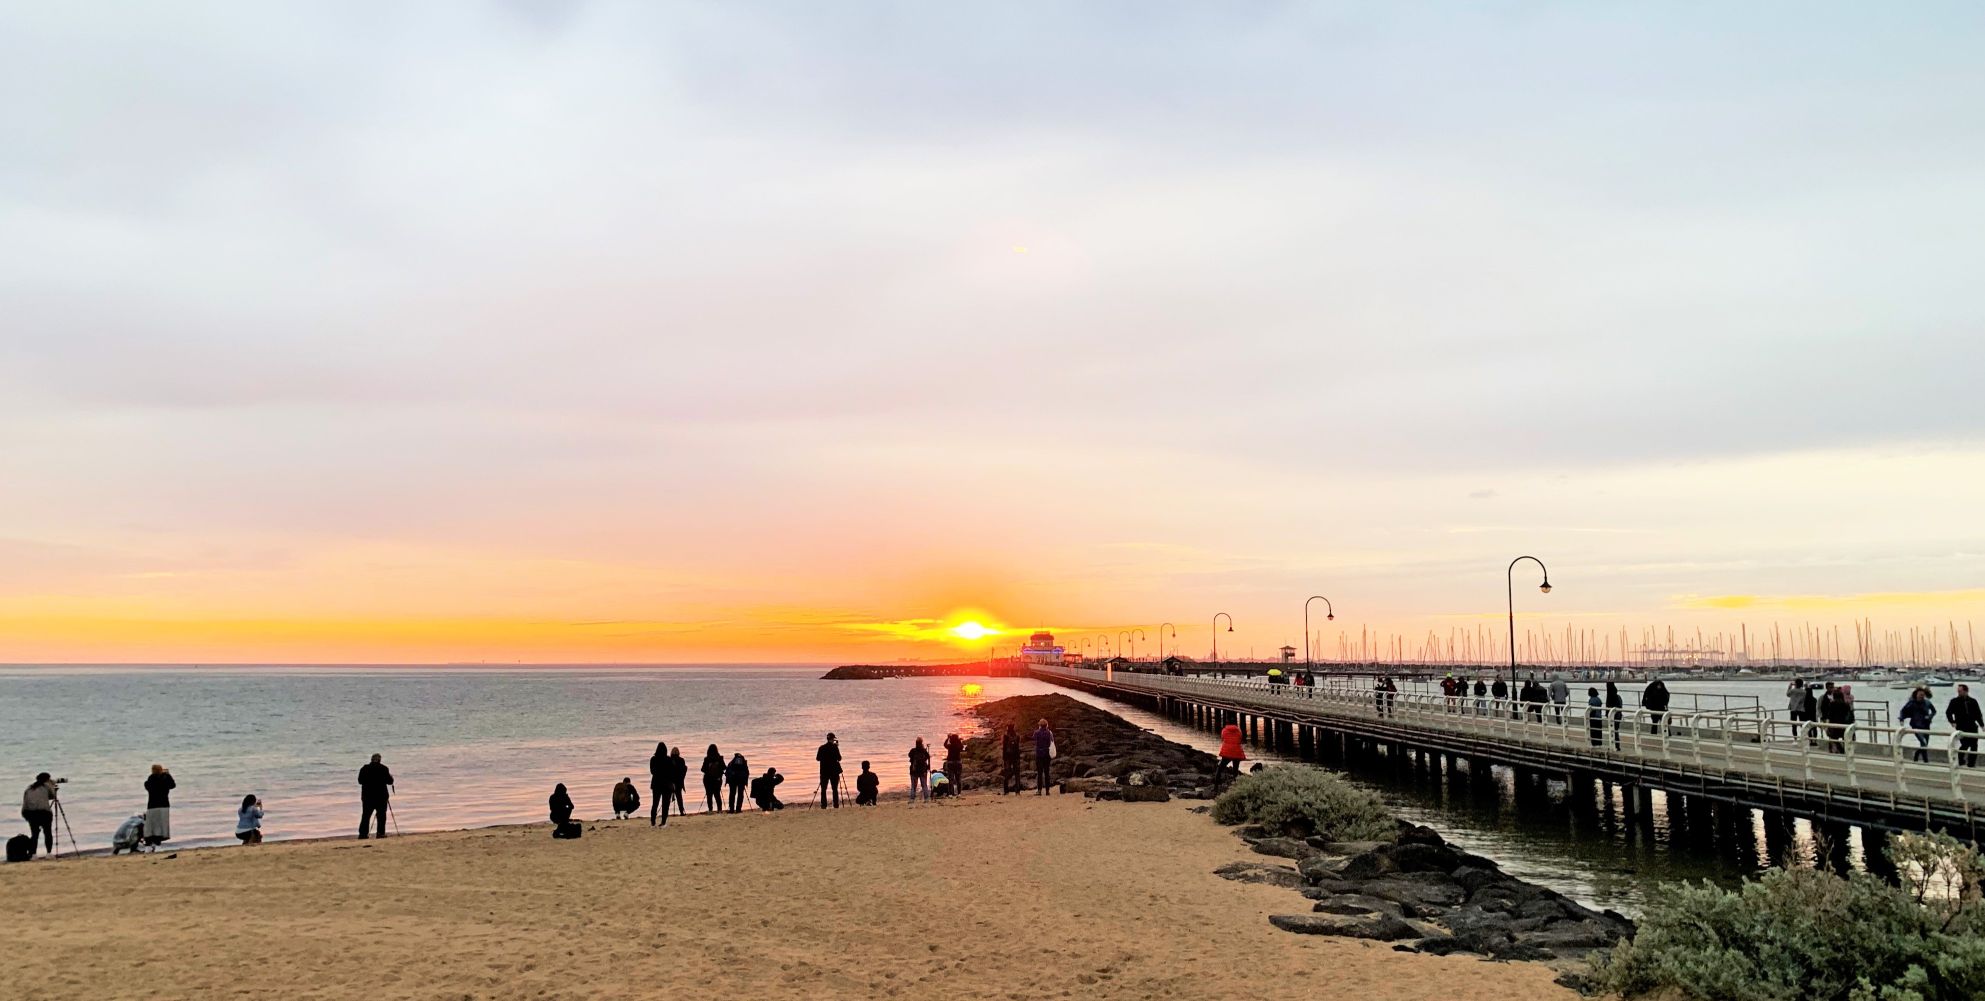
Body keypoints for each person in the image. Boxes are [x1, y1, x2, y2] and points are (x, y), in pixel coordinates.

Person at [21, 773, 58, 856]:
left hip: (31, 814)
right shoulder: (46, 787)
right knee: (48, 833)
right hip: (44, 813)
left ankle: (33, 854)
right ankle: (49, 853)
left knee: (34, 834)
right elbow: (52, 796)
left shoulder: (29, 788)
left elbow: (25, 803)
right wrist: (52, 786)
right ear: (47, 780)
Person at [357, 754, 392, 839]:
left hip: (367, 797)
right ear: (379, 760)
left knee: (366, 816)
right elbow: (390, 781)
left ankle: (363, 834)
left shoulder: (364, 768)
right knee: (381, 816)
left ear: (371, 759)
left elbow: (360, 781)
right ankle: (380, 833)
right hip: (381, 796)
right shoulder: (384, 768)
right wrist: (390, 777)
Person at [1947, 684, 1982, 768]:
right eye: (1958, 691)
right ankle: (1960, 759)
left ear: (1966, 691)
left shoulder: (1973, 701)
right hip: (1961, 725)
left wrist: (1982, 725)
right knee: (1965, 744)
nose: (1959, 693)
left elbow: (1978, 714)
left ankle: (1971, 763)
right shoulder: (1954, 701)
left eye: (1960, 691)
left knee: (1974, 745)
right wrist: (1952, 721)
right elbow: (1948, 712)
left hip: (1972, 725)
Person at [1899, 688, 1936, 763]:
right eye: (1919, 695)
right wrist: (1901, 719)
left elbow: (1934, 711)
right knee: (1923, 742)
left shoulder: (1927, 702)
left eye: (1922, 695)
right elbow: (1903, 711)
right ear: (1916, 695)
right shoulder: (1911, 703)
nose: (1921, 696)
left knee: (1925, 744)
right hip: (1916, 726)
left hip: (1926, 725)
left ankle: (1917, 754)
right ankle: (1926, 761)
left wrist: (1930, 716)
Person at [144, 763, 176, 847]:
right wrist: (168, 775)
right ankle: (159, 840)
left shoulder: (151, 778)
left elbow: (147, 786)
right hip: (164, 804)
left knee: (152, 824)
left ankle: (151, 840)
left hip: (152, 805)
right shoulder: (165, 778)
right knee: (162, 823)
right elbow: (173, 785)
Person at [1214, 722, 1245, 792]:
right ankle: (1236, 788)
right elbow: (1240, 739)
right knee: (1235, 771)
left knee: (1220, 769)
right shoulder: (1239, 730)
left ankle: (1215, 787)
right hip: (1237, 752)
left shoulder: (1224, 730)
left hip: (1227, 752)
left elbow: (1223, 738)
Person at [816, 733, 843, 808]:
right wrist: (836, 747)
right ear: (833, 739)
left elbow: (817, 758)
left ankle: (823, 805)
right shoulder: (835, 747)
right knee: (834, 789)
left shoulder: (821, 748)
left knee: (823, 789)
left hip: (824, 771)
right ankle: (836, 805)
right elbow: (839, 758)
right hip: (834, 771)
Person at [648, 742, 670, 826]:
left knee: (655, 803)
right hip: (666, 783)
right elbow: (671, 772)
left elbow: (652, 771)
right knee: (665, 804)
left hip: (656, 783)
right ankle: (663, 822)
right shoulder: (668, 759)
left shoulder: (653, 759)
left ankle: (653, 821)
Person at [1032, 718, 1055, 794]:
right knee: (1047, 772)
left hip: (1039, 754)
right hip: (1047, 754)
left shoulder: (1036, 732)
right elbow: (1052, 741)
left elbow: (1034, 739)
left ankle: (1039, 790)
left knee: (1040, 773)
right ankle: (1047, 791)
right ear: (1046, 725)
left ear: (1040, 725)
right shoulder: (1049, 733)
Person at [701, 745, 725, 815]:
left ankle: (710, 809)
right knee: (717, 794)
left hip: (708, 780)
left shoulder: (707, 759)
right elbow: (724, 767)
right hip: (717, 779)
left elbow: (703, 769)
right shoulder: (720, 758)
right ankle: (719, 809)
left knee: (709, 795)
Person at [999, 724, 1022, 794]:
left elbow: (1004, 747)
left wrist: (1004, 757)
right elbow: (1018, 746)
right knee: (1017, 773)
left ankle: (1006, 790)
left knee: (1007, 772)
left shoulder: (1005, 736)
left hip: (1008, 757)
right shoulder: (1017, 736)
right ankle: (1017, 790)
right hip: (1016, 756)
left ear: (1008, 728)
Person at [908, 738, 932, 804]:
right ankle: (926, 799)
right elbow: (928, 757)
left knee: (913, 786)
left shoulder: (913, 750)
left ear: (916, 743)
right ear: (921, 743)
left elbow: (909, 756)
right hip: (923, 770)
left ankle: (912, 799)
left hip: (914, 771)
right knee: (924, 785)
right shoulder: (924, 751)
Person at [668, 746, 689, 817]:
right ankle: (681, 811)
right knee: (679, 797)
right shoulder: (681, 760)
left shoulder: (669, 760)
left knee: (667, 797)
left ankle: (665, 812)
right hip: (679, 781)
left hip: (670, 781)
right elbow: (683, 771)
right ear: (678, 752)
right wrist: (682, 778)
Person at [942, 733, 965, 797]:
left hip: (950, 762)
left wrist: (948, 738)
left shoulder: (950, 746)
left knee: (951, 779)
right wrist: (959, 740)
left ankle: (950, 794)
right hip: (958, 762)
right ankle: (959, 793)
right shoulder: (958, 746)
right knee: (958, 779)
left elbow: (945, 745)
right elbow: (962, 747)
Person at [1605, 681, 1624, 750]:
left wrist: (1607, 714)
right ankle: (1617, 745)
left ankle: (1614, 745)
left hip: (1613, 716)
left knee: (1613, 730)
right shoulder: (1618, 697)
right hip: (1618, 715)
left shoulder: (1610, 697)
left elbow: (1608, 706)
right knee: (1615, 730)